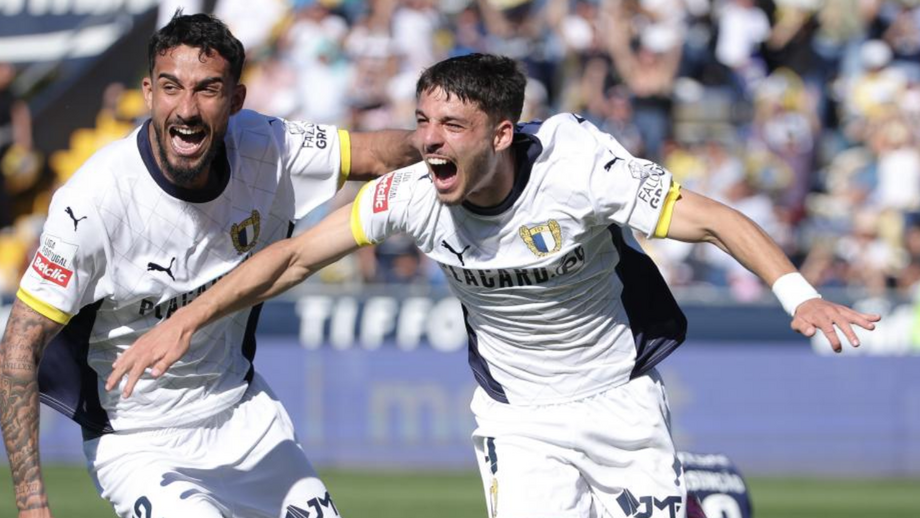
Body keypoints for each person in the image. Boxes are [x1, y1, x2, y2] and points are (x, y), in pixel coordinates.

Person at [112, 54, 880, 518]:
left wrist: (798, 295)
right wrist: (185, 319)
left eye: (451, 125)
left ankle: (705, 486)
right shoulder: (408, 192)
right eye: (422, 121)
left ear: (502, 134)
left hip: (619, 401)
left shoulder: (580, 169)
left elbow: (713, 221)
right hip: (519, 421)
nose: (428, 141)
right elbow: (292, 259)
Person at [0, 12, 420, 518]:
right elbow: (20, 345)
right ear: (149, 93)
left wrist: (447, 144)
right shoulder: (94, 201)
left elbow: (378, 154)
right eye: (171, 88)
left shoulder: (269, 145)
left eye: (208, 89)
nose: (187, 109)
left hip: (244, 418)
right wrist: (30, 501)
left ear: (236, 101)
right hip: (138, 439)